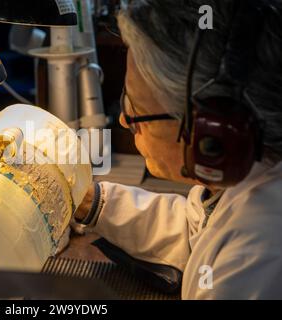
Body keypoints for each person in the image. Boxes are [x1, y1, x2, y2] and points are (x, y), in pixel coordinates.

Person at [75, 0, 282, 299]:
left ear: (212, 130)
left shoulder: (256, 252)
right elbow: (197, 232)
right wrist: (95, 202)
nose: (124, 119)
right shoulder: (250, 180)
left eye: (136, 110)